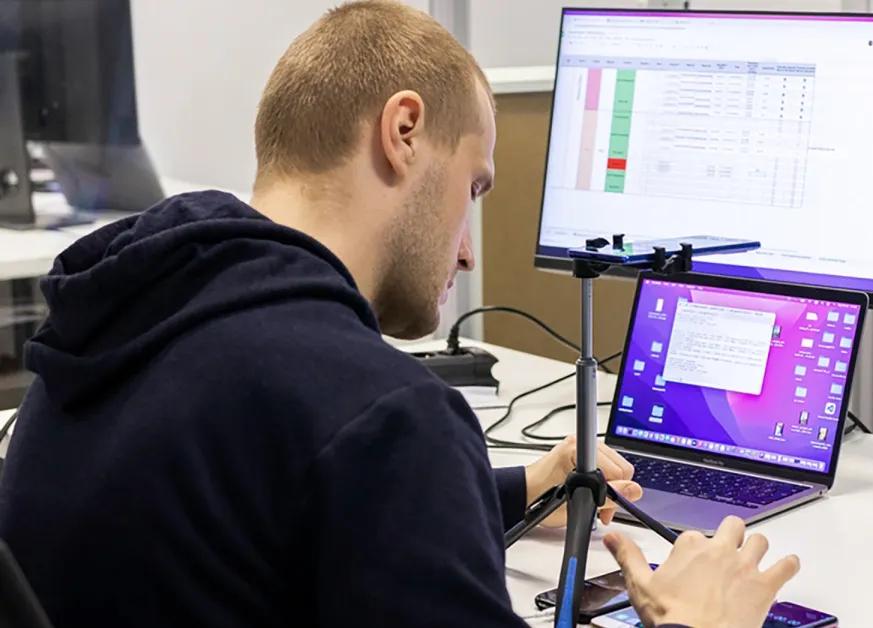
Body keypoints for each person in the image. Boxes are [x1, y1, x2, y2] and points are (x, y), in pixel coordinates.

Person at [0, 2, 799, 627]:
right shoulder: (381, 411)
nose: (468, 253)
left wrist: (519, 487)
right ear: (404, 131)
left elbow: (269, 502)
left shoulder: (125, 320)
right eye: (473, 187)